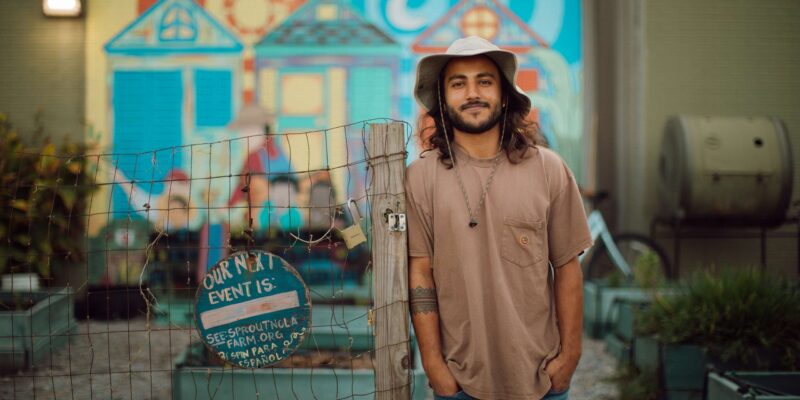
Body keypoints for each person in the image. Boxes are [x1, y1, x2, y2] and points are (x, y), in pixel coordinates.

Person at [405, 36, 593, 400]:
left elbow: (568, 266)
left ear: (505, 95)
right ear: (443, 100)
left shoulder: (548, 169)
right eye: (458, 83)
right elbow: (419, 272)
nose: (472, 92)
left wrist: (569, 356)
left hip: (541, 380)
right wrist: (434, 365)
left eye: (484, 81)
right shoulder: (420, 177)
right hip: (459, 383)